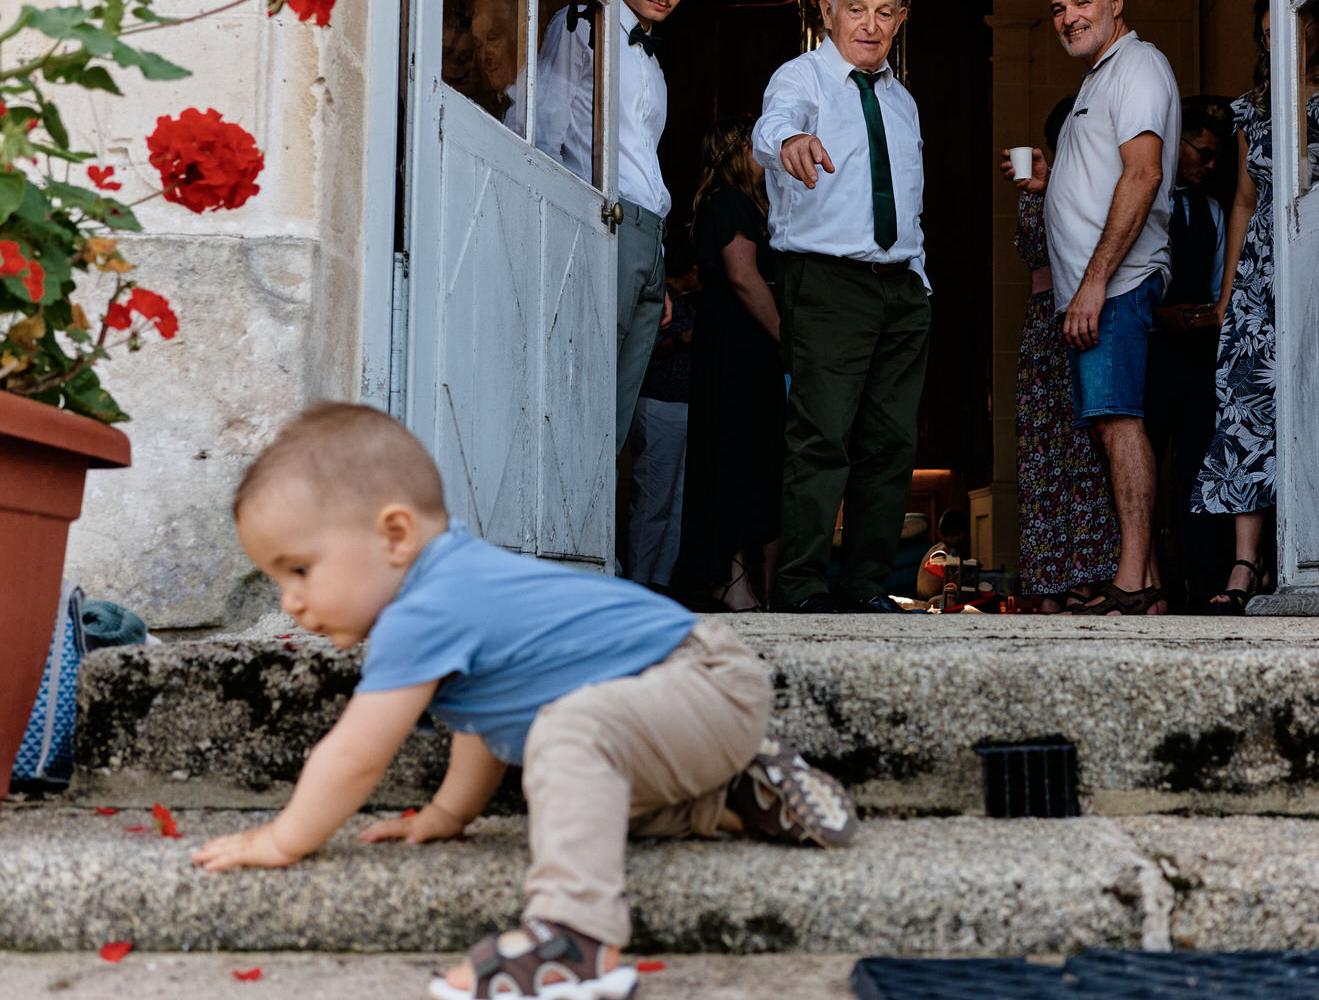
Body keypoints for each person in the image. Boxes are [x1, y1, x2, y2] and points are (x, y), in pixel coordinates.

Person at [191, 403, 858, 1000]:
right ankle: (739, 795)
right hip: (686, 708)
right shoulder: (447, 587)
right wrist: (451, 811)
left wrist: (283, 837)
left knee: (569, 735)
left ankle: (575, 941)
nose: (289, 600)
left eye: (299, 568)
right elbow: (487, 714)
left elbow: (357, 753)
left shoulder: (423, 607)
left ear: (394, 534)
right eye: (276, 578)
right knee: (576, 796)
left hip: (699, 676)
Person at [753, 0, 929, 615]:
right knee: (822, 435)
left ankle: (865, 586)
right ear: (828, 12)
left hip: (903, 287)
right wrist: (791, 140)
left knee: (892, 443)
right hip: (826, 281)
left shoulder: (904, 103)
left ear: (901, 18)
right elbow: (774, 125)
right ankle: (801, 588)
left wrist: (920, 276)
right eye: (857, 8)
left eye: (886, 12)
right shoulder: (802, 79)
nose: (871, 24)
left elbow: (907, 200)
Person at [1007, 0, 1181, 616]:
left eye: (1081, 2)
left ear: (1115, 2)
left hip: (1117, 286)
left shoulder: (1136, 66)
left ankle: (1133, 584)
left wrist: (1093, 284)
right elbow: (1104, 173)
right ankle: (1148, 585)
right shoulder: (1098, 80)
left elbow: (1142, 175)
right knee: (1110, 426)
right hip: (1099, 290)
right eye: (1057, 8)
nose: (1068, 17)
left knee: (1119, 424)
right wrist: (1056, 176)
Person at [1190, 0, 1319, 613]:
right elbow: (1244, 200)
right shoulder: (1252, 109)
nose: (1277, 44)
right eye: (1267, 35)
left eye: (1289, 31)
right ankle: (1246, 563)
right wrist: (1227, 293)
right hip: (1262, 274)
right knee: (1246, 407)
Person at [534, 0, 701, 458]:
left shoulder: (651, 58)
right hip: (606, 219)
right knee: (583, 384)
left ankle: (594, 531)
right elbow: (545, 134)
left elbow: (642, 156)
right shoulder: (585, 22)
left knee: (618, 405)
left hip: (650, 233)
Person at [1005, 97, 1119, 612]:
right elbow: (1033, 247)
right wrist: (1044, 190)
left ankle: (1089, 577)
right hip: (1045, 324)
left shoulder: (1106, 182)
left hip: (1088, 313)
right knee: (1043, 453)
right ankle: (1048, 581)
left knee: (1087, 449)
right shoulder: (1045, 187)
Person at [678, 116, 784, 613]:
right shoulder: (730, 202)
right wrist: (786, 337)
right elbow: (743, 276)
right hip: (740, 341)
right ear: (740, 148)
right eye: (756, 140)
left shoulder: (748, 204)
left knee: (751, 456)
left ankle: (757, 585)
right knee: (739, 456)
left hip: (741, 341)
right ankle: (737, 582)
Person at [1144, 108, 1229, 612]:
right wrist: (1160, 315)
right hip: (1153, 349)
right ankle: (1151, 578)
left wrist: (1208, 317)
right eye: (1204, 152)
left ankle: (1204, 581)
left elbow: (1220, 279)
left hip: (1199, 355)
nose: (1211, 164)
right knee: (1146, 462)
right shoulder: (1148, 200)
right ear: (1177, 145)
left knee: (1200, 465)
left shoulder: (1215, 210)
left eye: (1218, 155)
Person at [624, 235, 698, 593]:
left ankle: (660, 580)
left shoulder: (685, 301)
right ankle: (638, 580)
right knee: (654, 496)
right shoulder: (659, 296)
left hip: (682, 407)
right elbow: (646, 348)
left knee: (677, 499)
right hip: (658, 404)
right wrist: (688, 338)